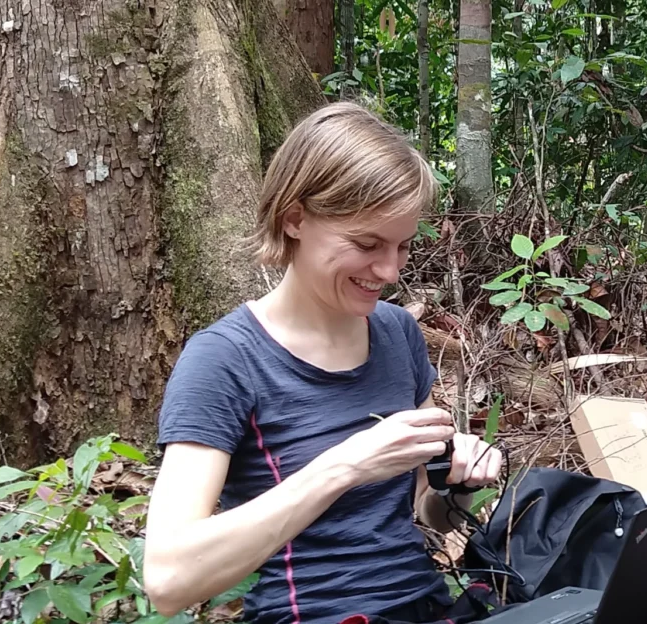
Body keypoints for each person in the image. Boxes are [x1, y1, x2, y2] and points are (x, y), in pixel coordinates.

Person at [141, 101, 504, 624]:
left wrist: (460, 486)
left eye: (402, 246)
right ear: (295, 219)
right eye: (366, 243)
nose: (389, 271)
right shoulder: (225, 359)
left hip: (424, 606)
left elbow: (427, 512)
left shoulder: (397, 332)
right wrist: (345, 466)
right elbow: (169, 579)